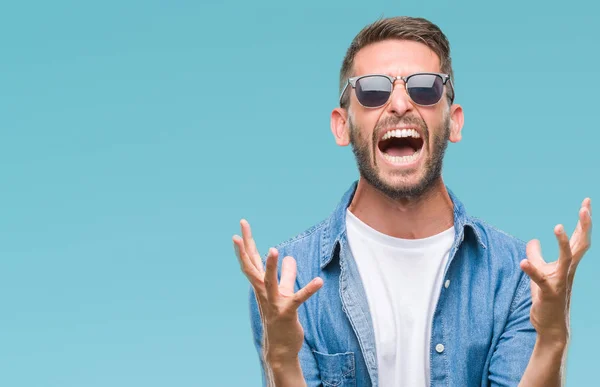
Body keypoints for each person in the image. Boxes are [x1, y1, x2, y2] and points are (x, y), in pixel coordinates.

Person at [232, 16, 592, 387]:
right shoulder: (289, 281)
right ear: (342, 126)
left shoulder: (512, 278)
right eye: (372, 91)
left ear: (454, 122)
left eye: (424, 88)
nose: (400, 103)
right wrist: (280, 357)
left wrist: (552, 339)